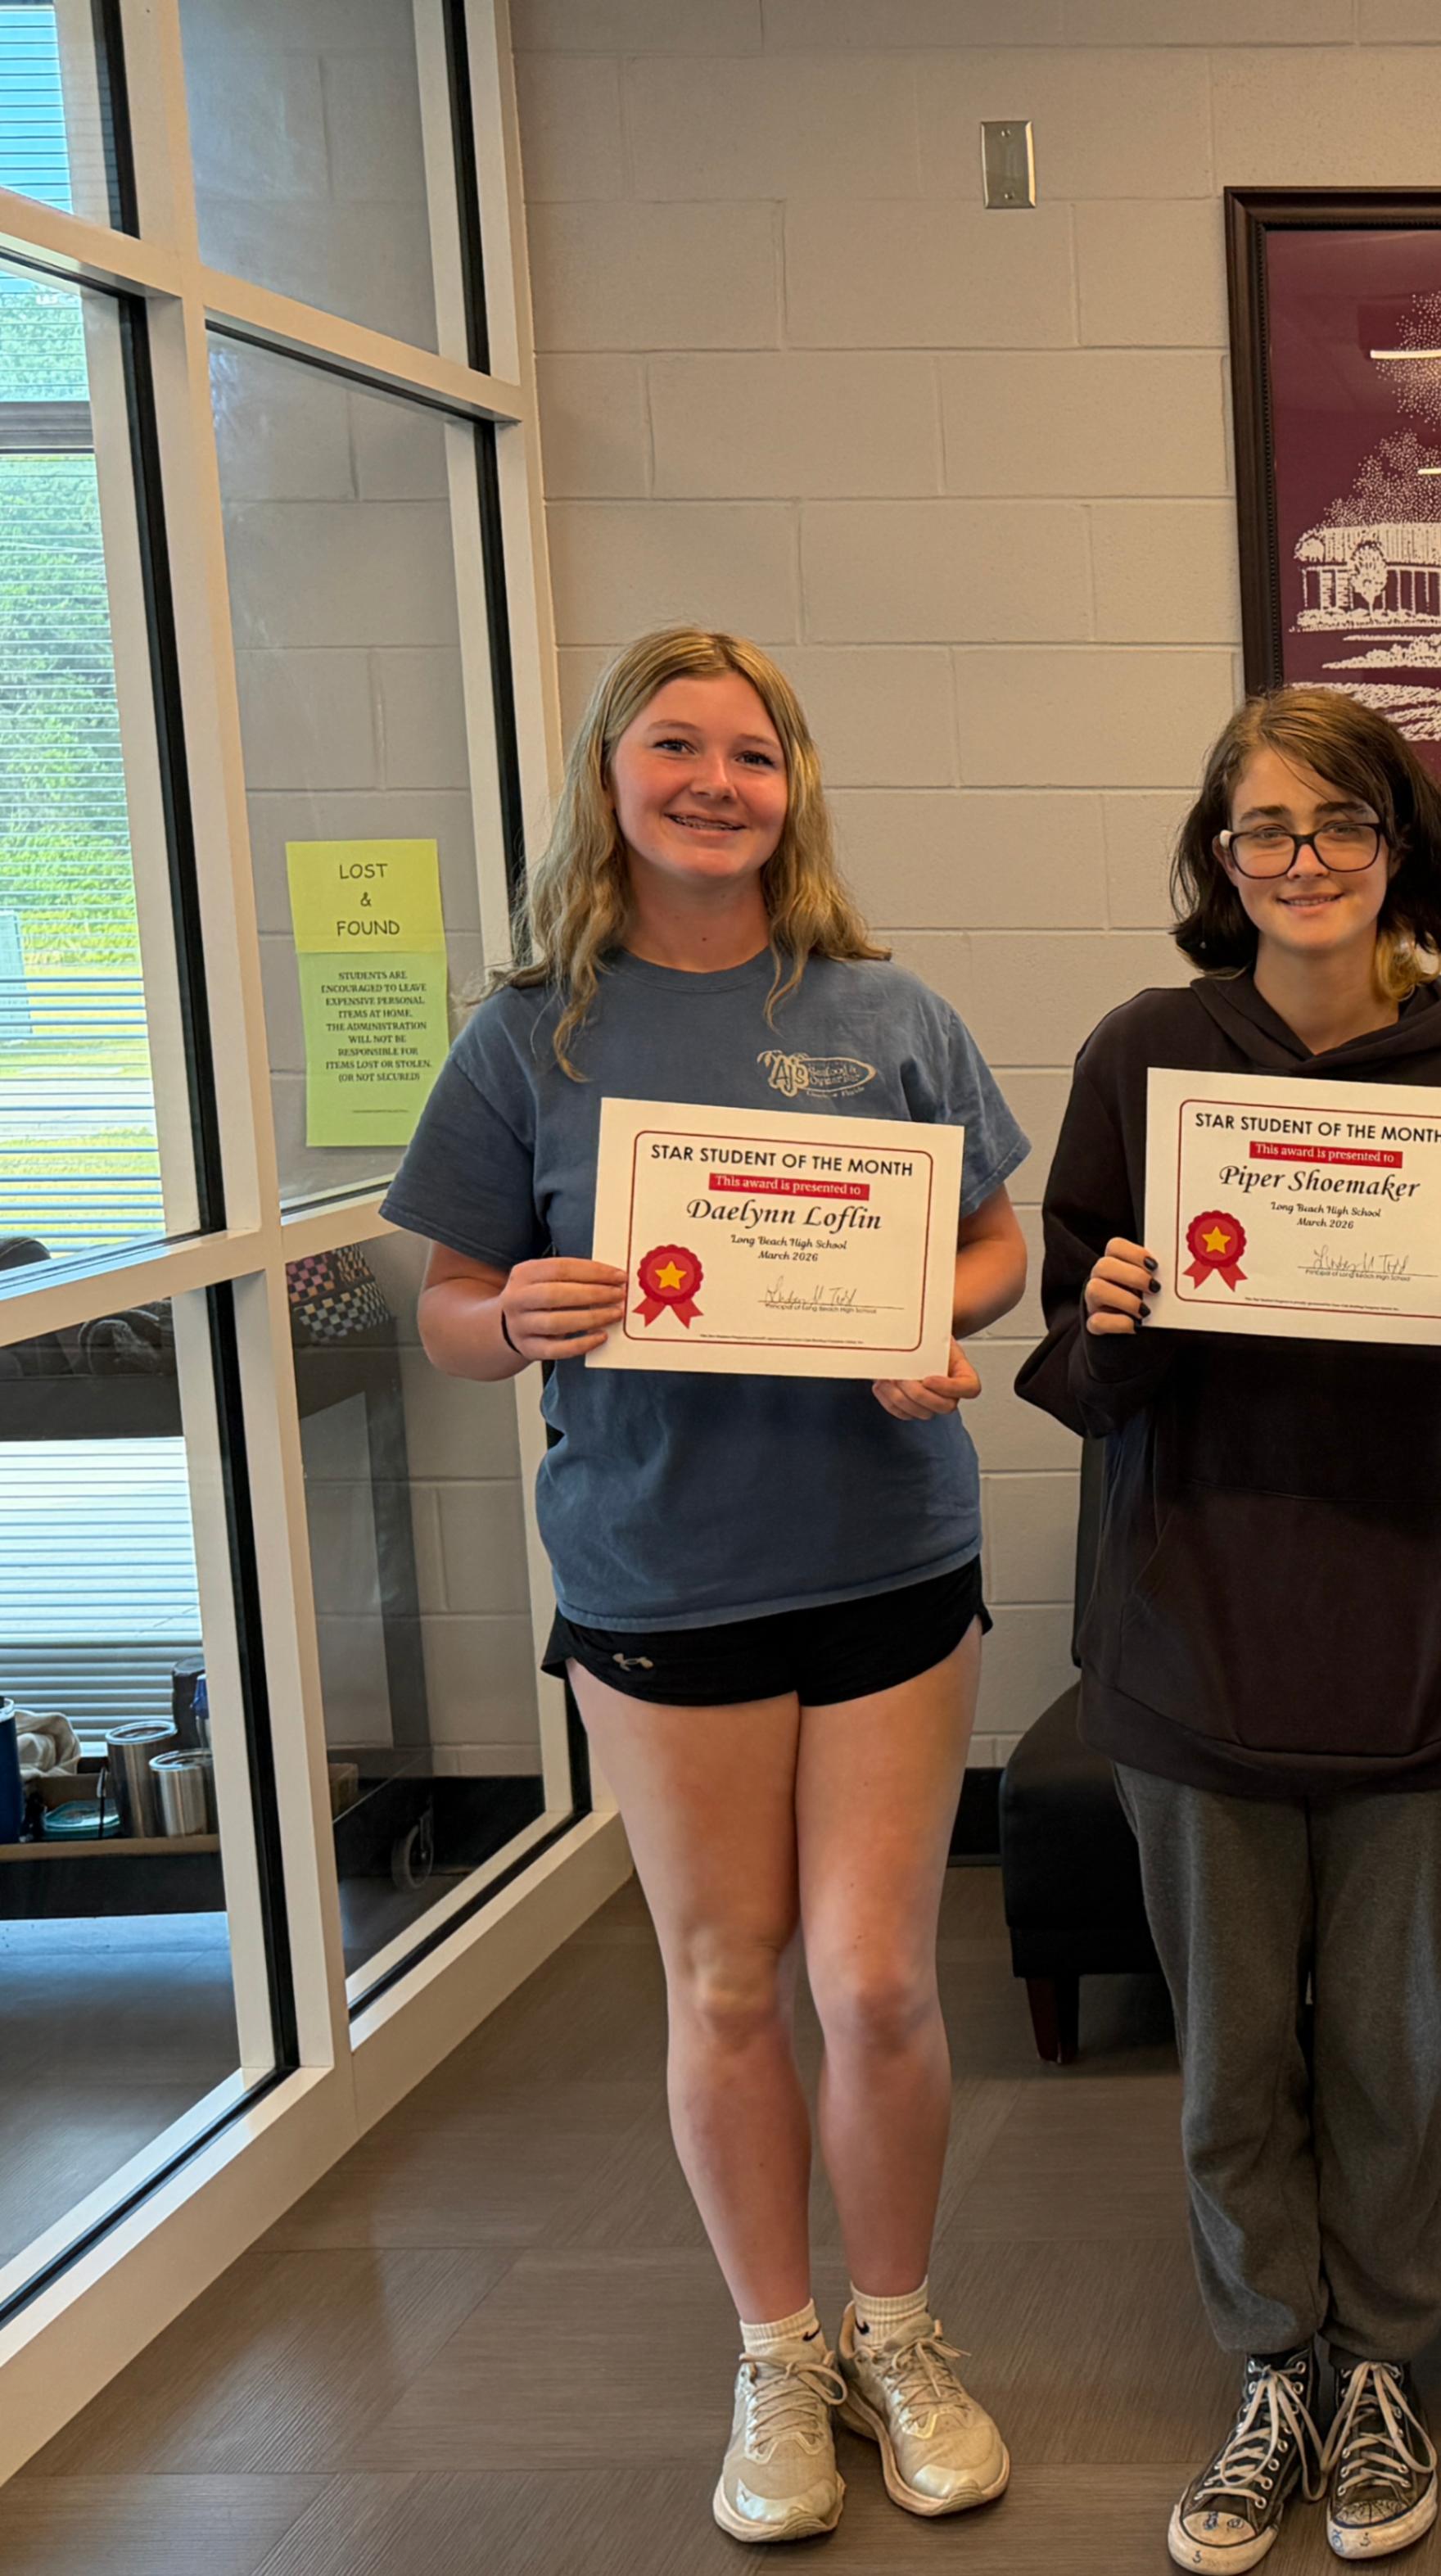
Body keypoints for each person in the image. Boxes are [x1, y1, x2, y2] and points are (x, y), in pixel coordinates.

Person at [388, 627, 1030, 2544]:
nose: (714, 782)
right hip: (660, 1568)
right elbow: (440, 1310)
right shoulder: (528, 1036)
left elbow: (992, 1245)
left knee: (880, 1978)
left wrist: (936, 1310)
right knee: (726, 1976)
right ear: (610, 777)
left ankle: (896, 2332)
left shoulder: (889, 1007)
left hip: (886, 1553)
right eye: (674, 746)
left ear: (792, 790)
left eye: (752, 754)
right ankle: (775, 2351)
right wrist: (512, 1312)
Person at [1016, 686, 1441, 2574]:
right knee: (1228, 2058)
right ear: (1218, 857)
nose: (1304, 861)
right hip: (1199, 1639)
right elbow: (1080, 1372)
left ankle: (1385, 2370)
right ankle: (1274, 2366)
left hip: (1422, 1640)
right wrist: (1106, 1308)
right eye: (1265, 828)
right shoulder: (1141, 1057)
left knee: (1391, 2052)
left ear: (1401, 849)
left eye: (1341, 824)